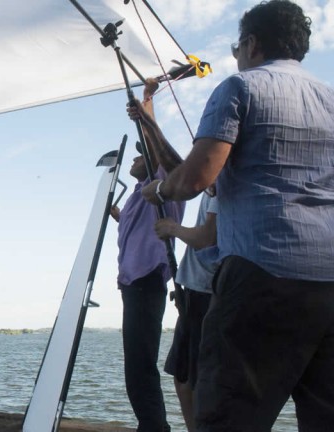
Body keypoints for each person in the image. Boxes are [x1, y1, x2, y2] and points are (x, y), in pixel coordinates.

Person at [140, 1, 334, 429]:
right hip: (329, 285)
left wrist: (161, 189)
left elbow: (196, 178)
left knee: (228, 416)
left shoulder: (240, 88)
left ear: (251, 44)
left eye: (236, 48)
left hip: (261, 275)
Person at [111, 78, 185, 432]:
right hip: (132, 285)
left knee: (140, 364)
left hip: (146, 282)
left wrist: (146, 104)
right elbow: (132, 226)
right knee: (135, 364)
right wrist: (111, 212)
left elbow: (158, 148)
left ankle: (155, 428)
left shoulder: (165, 184)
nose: (134, 158)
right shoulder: (139, 192)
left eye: (140, 156)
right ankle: (151, 425)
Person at [155, 189, 218, 432]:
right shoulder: (214, 188)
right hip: (195, 293)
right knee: (185, 376)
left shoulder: (222, 187)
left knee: (191, 379)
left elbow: (207, 238)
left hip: (205, 294)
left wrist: (172, 228)